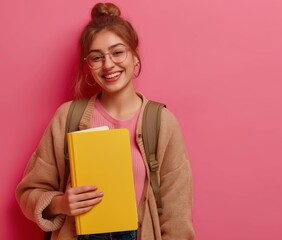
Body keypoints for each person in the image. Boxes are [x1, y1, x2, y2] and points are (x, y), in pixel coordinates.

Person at [15, 2, 194, 240]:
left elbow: (177, 215)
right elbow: (29, 192)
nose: (108, 64)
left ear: (134, 56)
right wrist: (60, 203)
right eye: (97, 57)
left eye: (118, 52)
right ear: (88, 66)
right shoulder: (67, 117)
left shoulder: (162, 122)